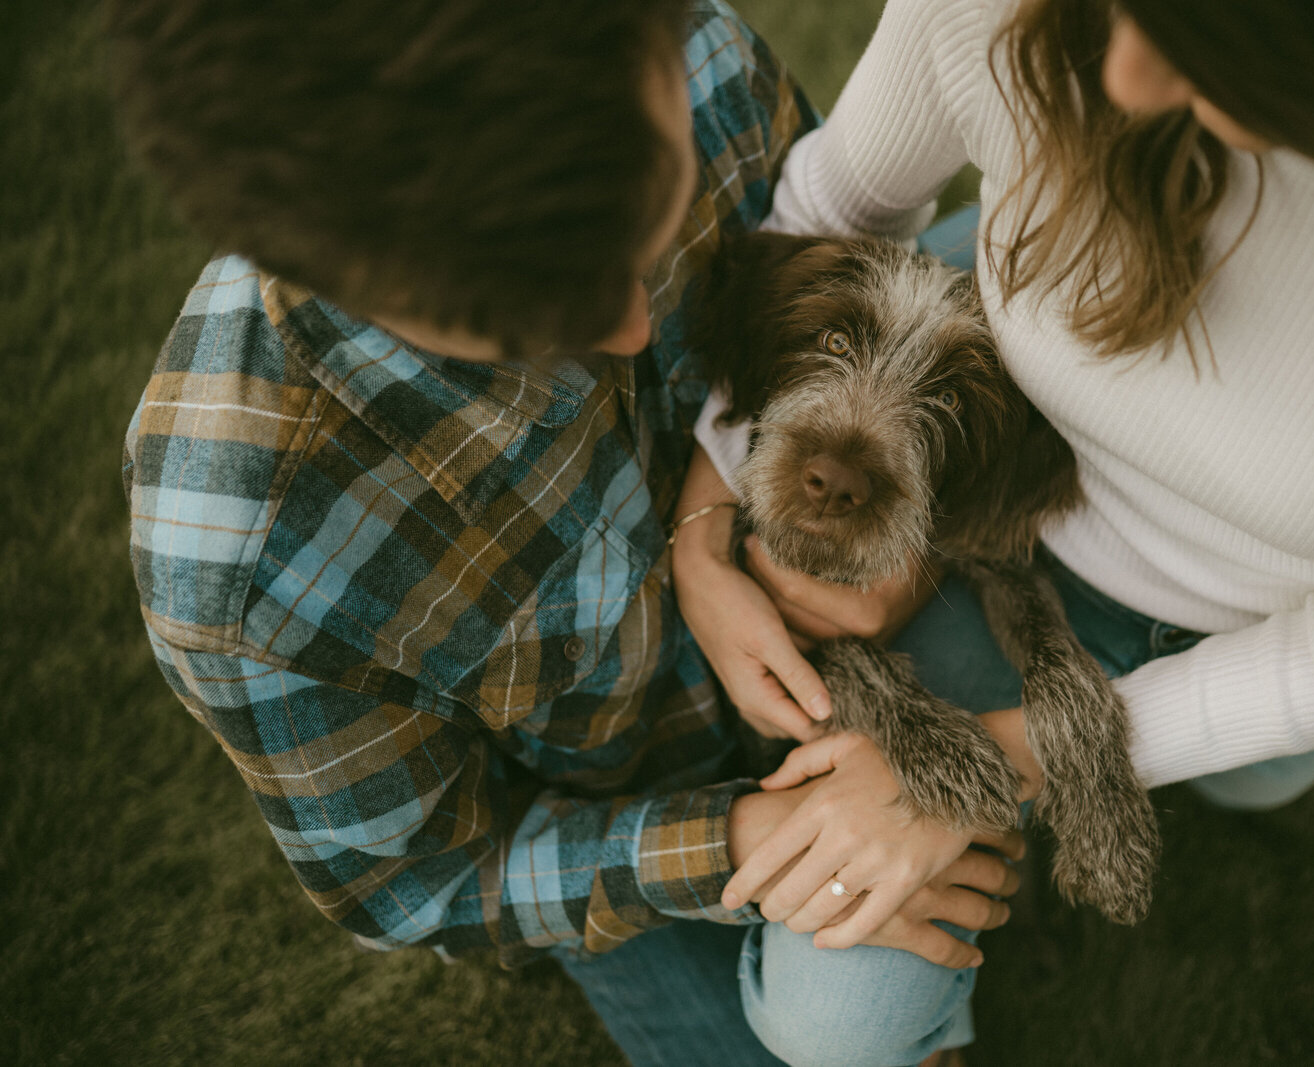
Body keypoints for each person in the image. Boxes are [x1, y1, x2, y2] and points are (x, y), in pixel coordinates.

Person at [674, 0, 1314, 1061]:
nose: (1122, 78)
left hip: (1285, 616)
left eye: (1206, 34)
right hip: (983, 451)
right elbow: (831, 209)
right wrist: (705, 524)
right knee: (835, 1030)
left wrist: (998, 761)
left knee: (1257, 776)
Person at [112, 1, 1023, 1064]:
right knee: (832, 1041)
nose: (637, 326)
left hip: (855, 625)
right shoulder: (243, 565)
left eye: (658, 221)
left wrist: (732, 519)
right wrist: (742, 839)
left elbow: (847, 291)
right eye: (529, 319)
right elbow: (425, 876)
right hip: (622, 810)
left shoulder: (700, 60)